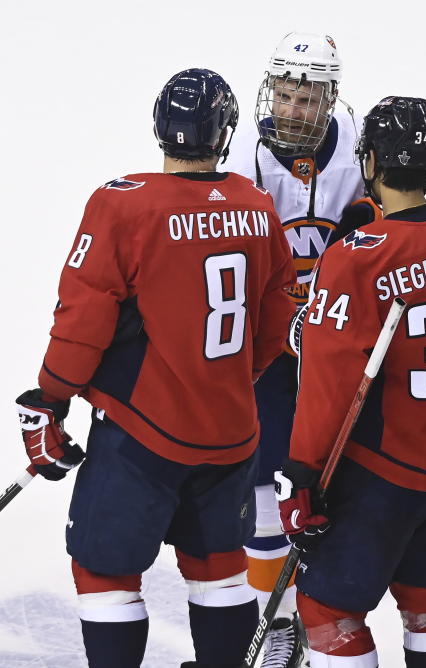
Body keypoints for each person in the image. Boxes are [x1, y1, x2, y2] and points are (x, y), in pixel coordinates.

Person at [14, 69, 295, 667]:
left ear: (160, 127)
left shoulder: (123, 204)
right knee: (220, 569)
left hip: (142, 434)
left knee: (105, 572)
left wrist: (51, 397)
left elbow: (82, 317)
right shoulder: (256, 205)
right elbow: (278, 316)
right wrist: (231, 381)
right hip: (231, 434)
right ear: (224, 134)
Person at [277, 96, 426, 668]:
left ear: (373, 161)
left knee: (329, 611)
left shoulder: (360, 256)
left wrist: (304, 475)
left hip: (383, 471)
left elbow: (330, 383)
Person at [221, 30, 367, 665]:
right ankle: (279, 618)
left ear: (330, 97)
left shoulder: (361, 148)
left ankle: (325, 605)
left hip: (338, 343)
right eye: (285, 93)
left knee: (335, 485)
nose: (295, 109)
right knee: (261, 489)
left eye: (309, 97)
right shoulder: (240, 154)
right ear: (270, 90)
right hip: (269, 348)